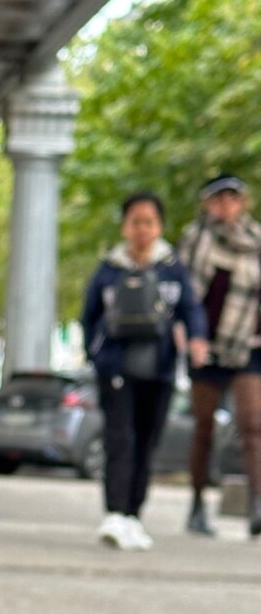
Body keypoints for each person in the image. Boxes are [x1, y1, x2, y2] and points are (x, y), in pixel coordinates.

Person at [82, 191, 208, 551]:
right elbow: (89, 316)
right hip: (116, 369)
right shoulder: (108, 269)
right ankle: (115, 513)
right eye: (135, 221)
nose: (142, 229)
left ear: (159, 227)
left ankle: (134, 515)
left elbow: (191, 310)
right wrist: (96, 355)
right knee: (119, 439)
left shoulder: (172, 268)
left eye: (149, 222)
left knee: (146, 442)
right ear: (125, 226)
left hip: (160, 369)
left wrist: (197, 340)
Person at [177, 175, 261, 537]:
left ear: (243, 202)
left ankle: (257, 505)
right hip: (205, 346)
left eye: (232, 198)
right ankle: (197, 504)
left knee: (253, 425)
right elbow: (183, 293)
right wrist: (186, 337)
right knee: (204, 428)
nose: (225, 205)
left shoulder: (257, 241)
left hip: (247, 345)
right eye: (218, 198)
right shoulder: (195, 240)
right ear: (207, 203)